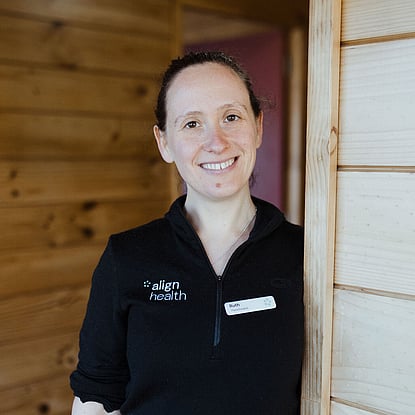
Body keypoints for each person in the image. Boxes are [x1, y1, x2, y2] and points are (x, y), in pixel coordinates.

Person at [70, 51, 304, 414]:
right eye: (192, 123)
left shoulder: (304, 254)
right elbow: (95, 400)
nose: (217, 142)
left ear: (258, 127)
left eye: (231, 117)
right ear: (164, 142)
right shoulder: (127, 257)